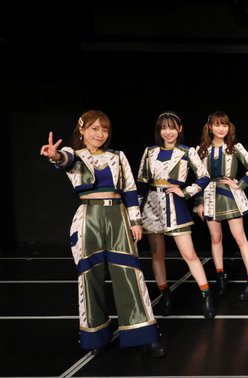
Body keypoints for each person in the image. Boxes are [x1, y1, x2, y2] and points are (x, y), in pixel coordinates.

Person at [39, 110, 165, 357]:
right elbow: (64, 159)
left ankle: (144, 334)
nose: (100, 134)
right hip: (89, 218)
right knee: (90, 277)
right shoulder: (75, 154)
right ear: (82, 130)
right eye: (95, 128)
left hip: (118, 217)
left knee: (129, 274)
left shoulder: (117, 156)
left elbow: (130, 189)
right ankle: (96, 336)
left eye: (104, 130)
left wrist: (135, 222)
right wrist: (55, 156)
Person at [136, 111, 214, 318]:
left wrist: (186, 192)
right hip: (151, 206)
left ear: (179, 129)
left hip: (175, 205)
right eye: (163, 128)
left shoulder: (187, 151)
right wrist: (134, 213)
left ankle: (206, 295)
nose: (168, 132)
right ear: (159, 131)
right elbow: (141, 182)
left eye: (172, 127)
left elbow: (204, 176)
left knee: (190, 254)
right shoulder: (149, 151)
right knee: (157, 255)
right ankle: (165, 295)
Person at [195, 111, 248, 301]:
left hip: (230, 195)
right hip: (209, 195)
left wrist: (239, 184)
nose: (221, 128)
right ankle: (220, 277)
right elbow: (199, 178)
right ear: (209, 127)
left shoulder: (235, 147)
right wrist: (199, 202)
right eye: (217, 124)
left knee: (240, 237)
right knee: (215, 238)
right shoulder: (201, 150)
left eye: (224, 124)